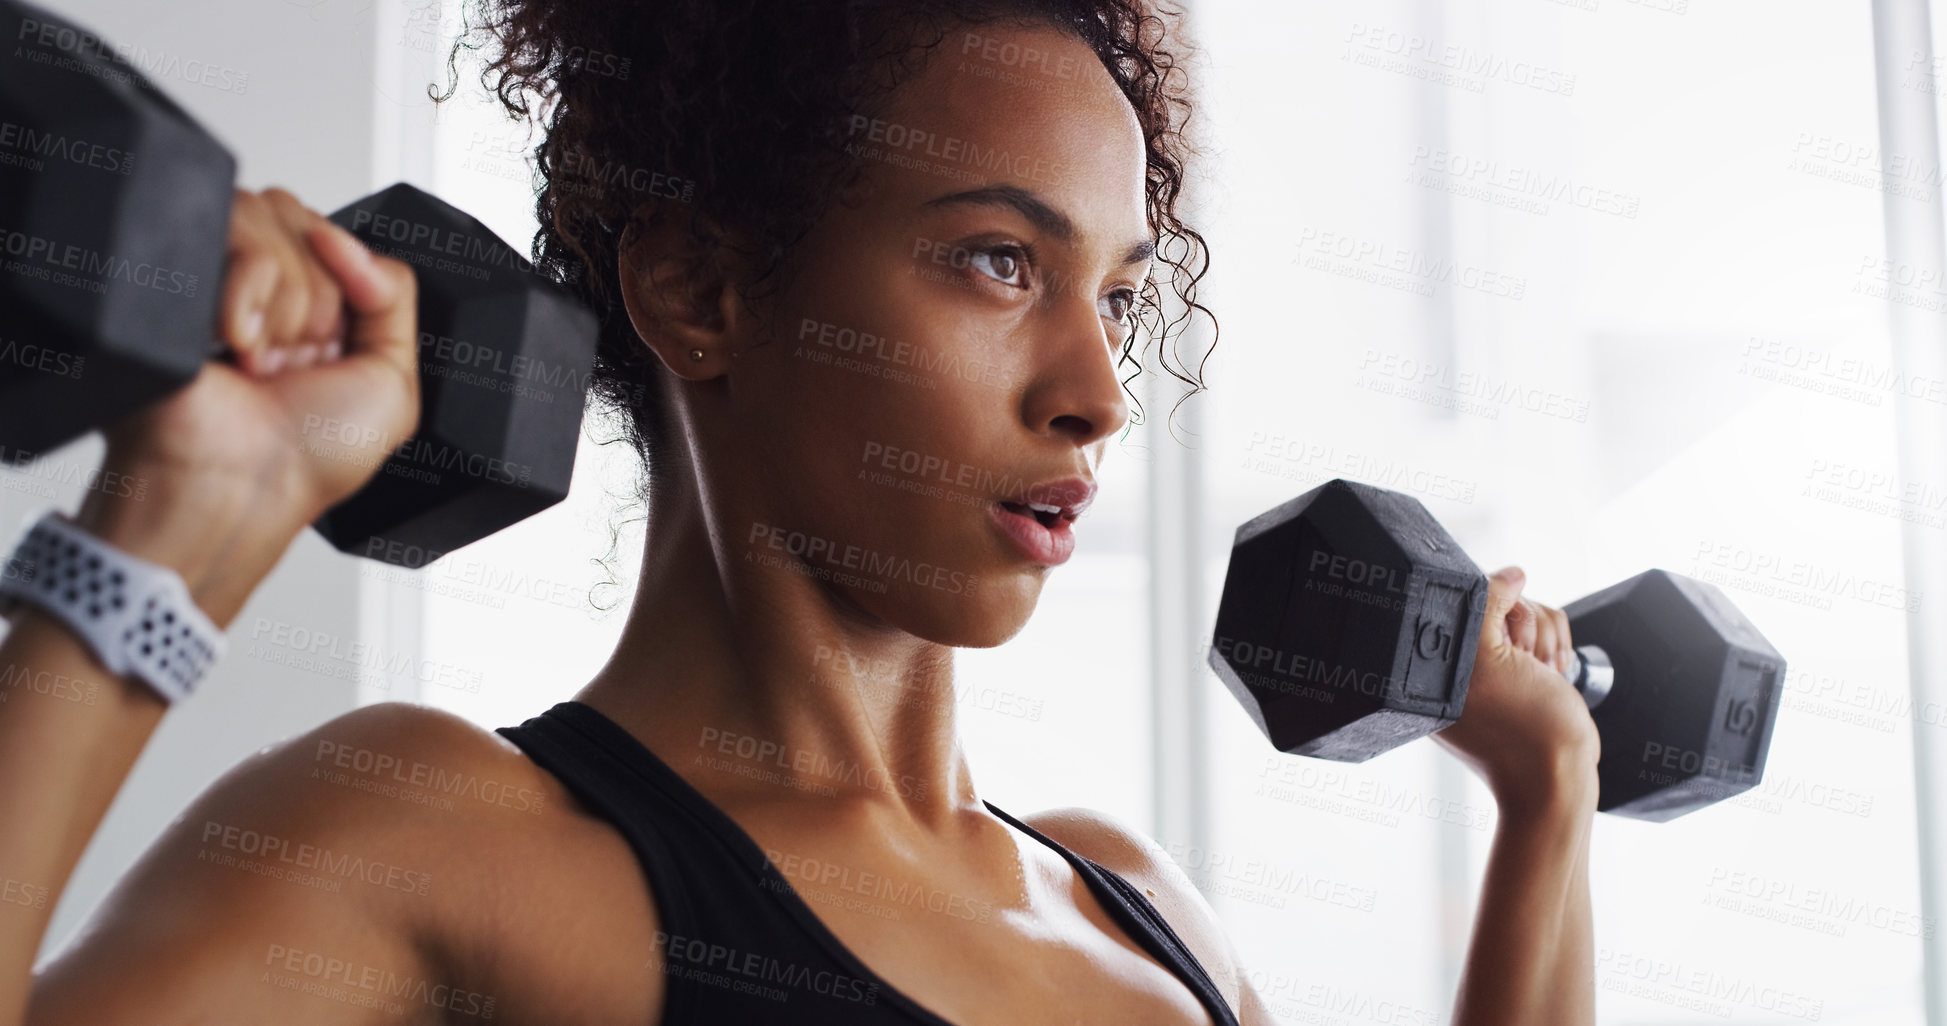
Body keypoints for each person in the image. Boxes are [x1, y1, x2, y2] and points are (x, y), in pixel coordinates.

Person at [0, 2, 1600, 1023]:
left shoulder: (1144, 907)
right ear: (700, 292)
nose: (1097, 392)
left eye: (1114, 290)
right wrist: (177, 526)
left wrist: (1545, 802)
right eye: (998, 261)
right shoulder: (440, 843)